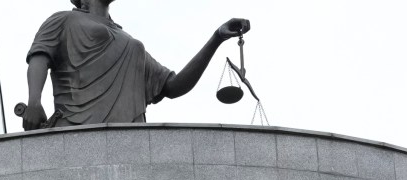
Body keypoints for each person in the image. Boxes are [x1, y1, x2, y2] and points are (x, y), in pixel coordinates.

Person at [17, 0, 247, 129]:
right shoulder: (64, 19)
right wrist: (34, 102)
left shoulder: (128, 42)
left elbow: (174, 86)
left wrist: (216, 37)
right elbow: (40, 56)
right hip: (76, 127)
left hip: (130, 135)